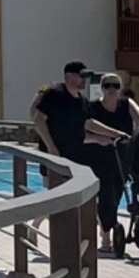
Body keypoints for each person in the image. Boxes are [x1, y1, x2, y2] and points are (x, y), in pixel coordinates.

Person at [31, 62, 107, 245]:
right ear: (69, 76)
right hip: (54, 159)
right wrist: (51, 147)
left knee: (78, 197)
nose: (84, 80)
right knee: (57, 197)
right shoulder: (54, 94)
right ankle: (35, 228)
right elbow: (38, 120)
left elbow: (84, 128)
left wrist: (107, 136)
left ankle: (103, 236)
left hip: (77, 158)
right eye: (82, 76)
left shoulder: (82, 101)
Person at [80, 72, 139, 254]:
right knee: (106, 195)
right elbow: (87, 125)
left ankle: (107, 229)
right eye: (107, 85)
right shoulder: (92, 106)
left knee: (117, 193)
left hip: (121, 157)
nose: (111, 89)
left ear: (120, 89)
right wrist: (111, 135)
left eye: (115, 85)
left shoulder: (126, 104)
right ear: (102, 88)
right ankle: (106, 237)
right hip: (98, 157)